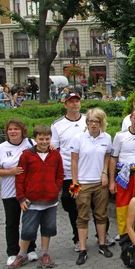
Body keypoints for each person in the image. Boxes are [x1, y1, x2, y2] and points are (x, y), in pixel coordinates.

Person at [8, 125, 64, 269]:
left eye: (47, 139)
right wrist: (21, 197)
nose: (44, 142)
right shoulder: (26, 155)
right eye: (41, 139)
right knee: (28, 229)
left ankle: (45, 253)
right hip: (32, 201)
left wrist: (55, 188)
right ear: (35, 139)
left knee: (48, 228)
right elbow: (20, 178)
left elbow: (60, 174)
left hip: (50, 201)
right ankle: (21, 254)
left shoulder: (55, 155)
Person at [0, 119, 39, 266]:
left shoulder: (30, 143)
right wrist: (10, 171)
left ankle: (30, 249)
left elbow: (45, 150)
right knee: (12, 223)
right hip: (10, 192)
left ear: (22, 130)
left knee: (29, 221)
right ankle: (12, 252)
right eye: (10, 129)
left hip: (28, 191)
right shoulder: (1, 148)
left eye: (16, 129)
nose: (13, 132)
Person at [69, 108, 113, 265]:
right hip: (83, 182)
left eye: (96, 121)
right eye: (90, 121)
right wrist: (74, 183)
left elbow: (107, 156)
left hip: (100, 182)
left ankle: (102, 244)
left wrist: (104, 173)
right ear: (86, 122)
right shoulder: (78, 138)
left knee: (101, 214)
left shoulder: (106, 138)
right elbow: (74, 161)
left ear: (101, 123)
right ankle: (82, 249)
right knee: (82, 216)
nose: (93, 124)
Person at [51, 92, 88, 252]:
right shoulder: (57, 125)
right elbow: (55, 150)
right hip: (69, 175)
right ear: (65, 104)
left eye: (77, 101)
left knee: (96, 205)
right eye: (71, 101)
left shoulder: (89, 120)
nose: (75, 104)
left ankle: (102, 236)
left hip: (88, 173)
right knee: (72, 206)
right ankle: (78, 238)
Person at [109, 107, 135, 237]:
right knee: (123, 205)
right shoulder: (120, 136)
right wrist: (111, 181)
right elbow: (113, 159)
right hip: (124, 177)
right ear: (130, 119)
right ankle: (124, 233)